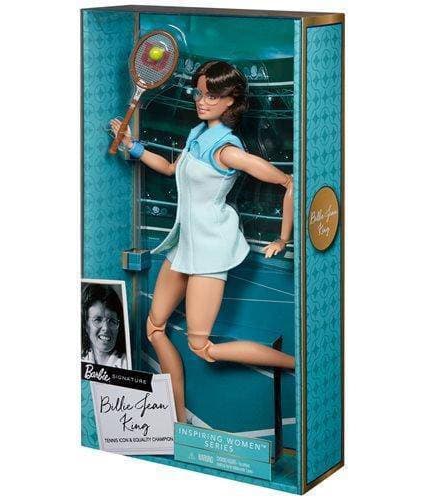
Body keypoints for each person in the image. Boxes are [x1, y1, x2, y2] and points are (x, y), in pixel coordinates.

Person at [110, 60, 293, 422]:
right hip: (183, 245)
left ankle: (296, 363)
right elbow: (171, 168)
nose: (202, 100)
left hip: (210, 250)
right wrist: (133, 146)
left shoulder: (227, 150)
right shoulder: (197, 135)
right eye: (199, 92)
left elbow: (287, 182)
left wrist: (282, 237)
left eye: (212, 95)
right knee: (154, 328)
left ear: (231, 100)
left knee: (202, 347)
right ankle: (178, 420)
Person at [81, 283, 128, 369]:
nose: (106, 328)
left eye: (112, 321)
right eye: (98, 319)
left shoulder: (128, 364)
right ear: (85, 325)